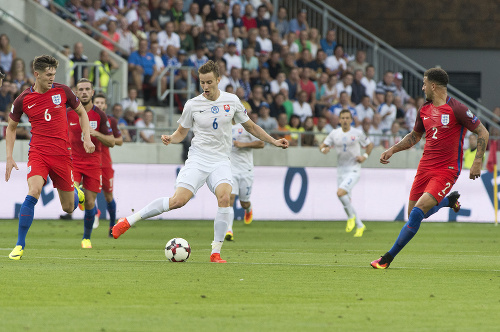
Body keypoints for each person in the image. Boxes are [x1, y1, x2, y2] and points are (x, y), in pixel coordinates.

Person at [111, 60, 289, 263]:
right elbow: (181, 133)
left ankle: (216, 252)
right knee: (178, 201)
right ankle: (128, 220)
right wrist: (171, 138)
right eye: (202, 82)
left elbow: (251, 127)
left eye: (209, 82)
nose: (205, 87)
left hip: (221, 160)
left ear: (218, 80)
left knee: (224, 198)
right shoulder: (193, 105)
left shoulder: (231, 101)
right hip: (198, 159)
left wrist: (274, 141)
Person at [371, 68, 489, 269]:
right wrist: (392, 150)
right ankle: (448, 202)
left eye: (425, 83)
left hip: (447, 169)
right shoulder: (424, 110)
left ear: (433, 86)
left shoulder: (457, 109)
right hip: (425, 167)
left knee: (417, 212)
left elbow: (483, 132)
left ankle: (387, 258)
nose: (423, 87)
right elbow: (414, 137)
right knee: (413, 214)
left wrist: (477, 161)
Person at [6, 55, 95, 260]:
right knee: (34, 191)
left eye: (54, 74)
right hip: (38, 153)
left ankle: (75, 191)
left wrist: (87, 138)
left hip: (63, 155)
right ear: (36, 74)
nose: (51, 78)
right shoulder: (23, 99)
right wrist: (9, 157)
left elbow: (82, 113)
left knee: (69, 208)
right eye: (48, 74)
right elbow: (11, 128)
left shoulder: (62, 91)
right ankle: (19, 245)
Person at [68, 79, 115, 248]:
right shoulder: (68, 113)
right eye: (81, 89)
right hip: (74, 162)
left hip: (94, 164)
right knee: (72, 192)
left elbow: (111, 141)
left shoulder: (100, 115)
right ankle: (78, 195)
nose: (84, 92)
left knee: (89, 203)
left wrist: (95, 134)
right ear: (76, 92)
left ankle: (86, 238)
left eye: (87, 89)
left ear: (92, 92)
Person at [320, 109, 373, 237]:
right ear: (339, 120)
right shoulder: (334, 133)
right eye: (342, 118)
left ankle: (350, 218)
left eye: (347, 118)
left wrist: (364, 156)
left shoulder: (357, 133)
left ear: (351, 120)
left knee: (340, 192)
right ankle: (360, 225)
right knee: (345, 198)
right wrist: (323, 149)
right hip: (341, 170)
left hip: (354, 169)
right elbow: (323, 145)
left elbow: (370, 144)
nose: (344, 120)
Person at [225, 123, 265, 240]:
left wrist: (242, 144)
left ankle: (248, 209)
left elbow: (261, 143)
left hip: (246, 170)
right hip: (231, 169)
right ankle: (229, 229)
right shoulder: (224, 125)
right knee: (229, 199)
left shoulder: (246, 126)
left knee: (244, 202)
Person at [93, 93, 123, 236]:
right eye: (97, 102)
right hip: (89, 161)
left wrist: (104, 137)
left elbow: (119, 141)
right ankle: (94, 211)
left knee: (108, 196)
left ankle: (112, 226)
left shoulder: (111, 121)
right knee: (82, 188)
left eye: (101, 103)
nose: (99, 105)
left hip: (105, 163)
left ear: (105, 105)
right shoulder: (86, 118)